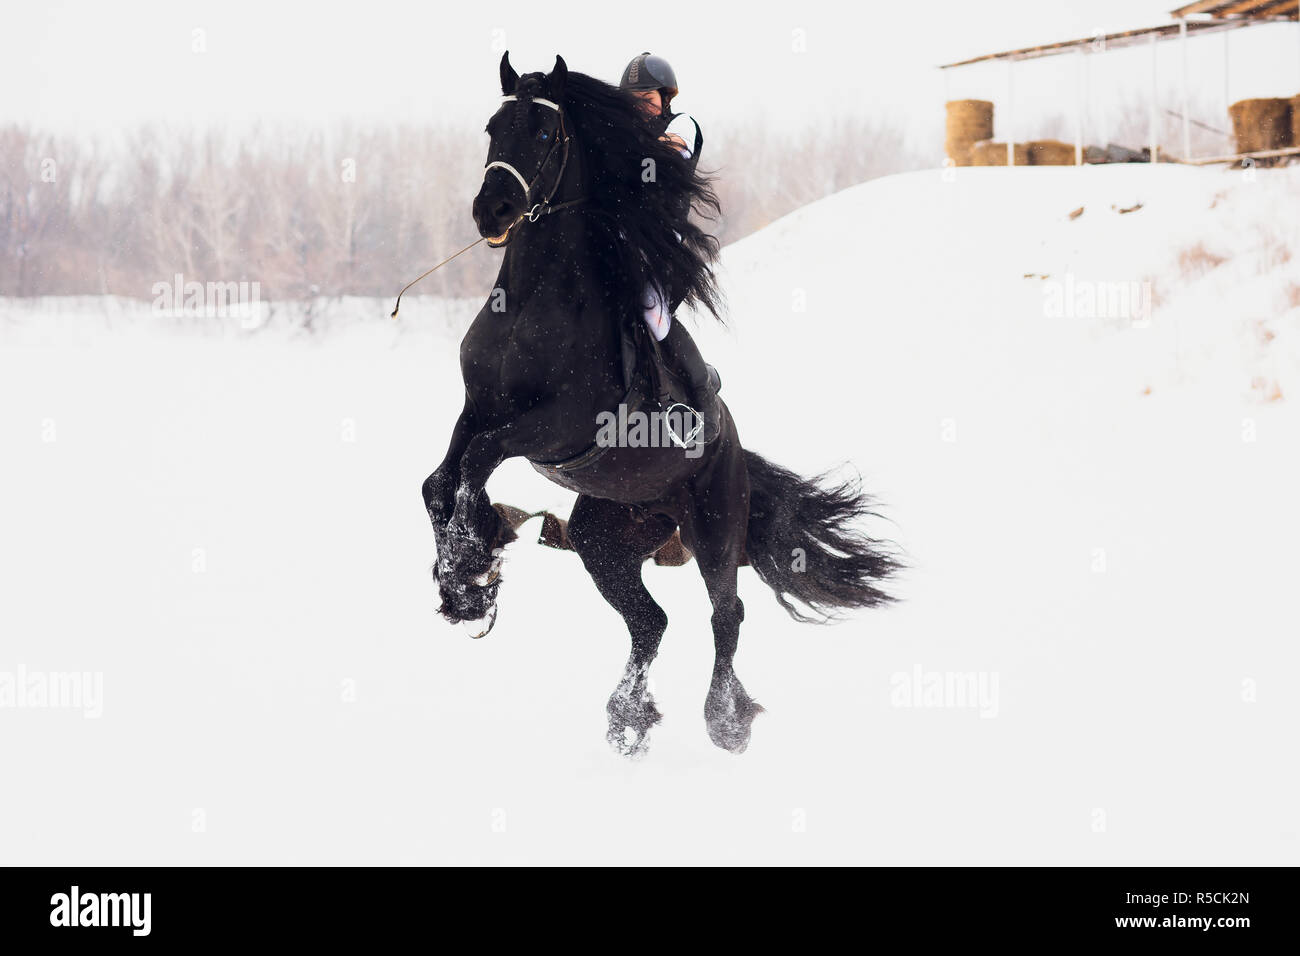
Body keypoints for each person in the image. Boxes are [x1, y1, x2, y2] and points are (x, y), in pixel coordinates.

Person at [618, 52, 721, 444]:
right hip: (623, 247)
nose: (641, 104)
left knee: (652, 313)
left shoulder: (682, 125)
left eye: (648, 96)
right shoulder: (625, 136)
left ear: (665, 97)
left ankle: (702, 396)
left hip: (663, 250)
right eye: (633, 98)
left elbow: (664, 160)